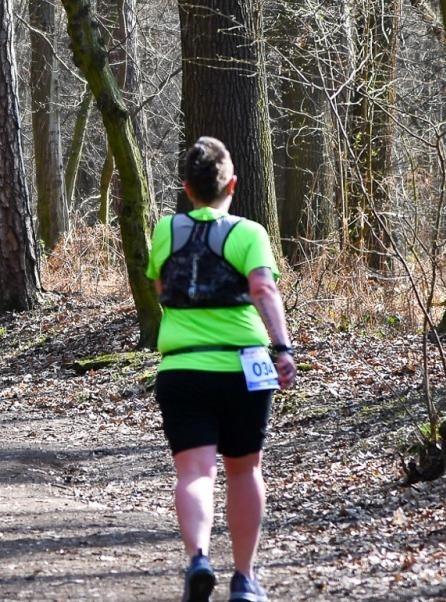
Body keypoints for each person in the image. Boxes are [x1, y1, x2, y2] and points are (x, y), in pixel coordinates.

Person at [149, 137, 297, 602]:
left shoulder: (165, 230)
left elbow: (160, 287)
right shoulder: (249, 233)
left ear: (187, 189)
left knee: (194, 474)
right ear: (232, 185)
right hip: (244, 368)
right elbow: (264, 289)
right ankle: (245, 579)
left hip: (182, 368)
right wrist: (283, 348)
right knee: (244, 471)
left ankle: (198, 558)